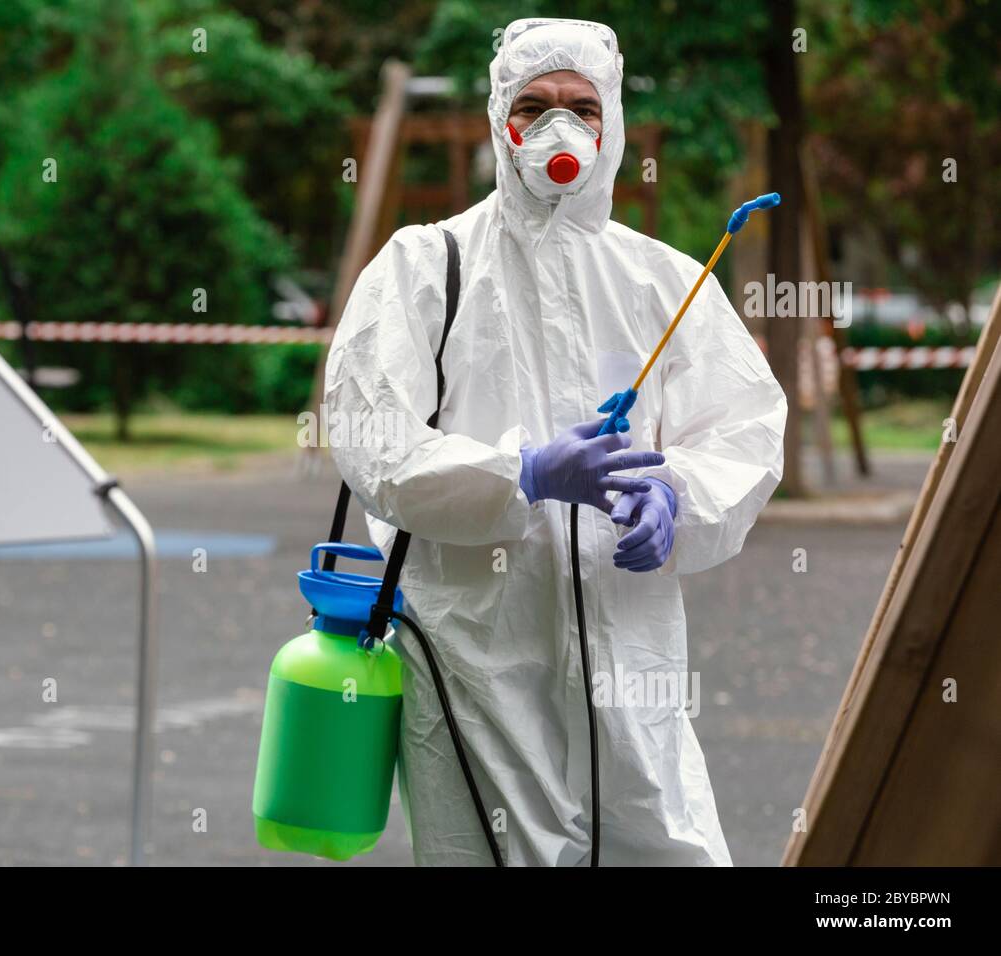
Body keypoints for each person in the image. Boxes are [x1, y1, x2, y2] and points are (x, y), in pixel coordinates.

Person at [324, 17, 786, 866]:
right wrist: (521, 474)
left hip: (630, 648)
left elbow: (743, 431)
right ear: (500, 120)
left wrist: (680, 492)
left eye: (580, 105)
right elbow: (372, 441)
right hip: (478, 653)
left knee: (670, 851)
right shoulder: (426, 266)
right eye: (532, 107)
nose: (557, 128)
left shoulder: (663, 279)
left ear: (610, 121)